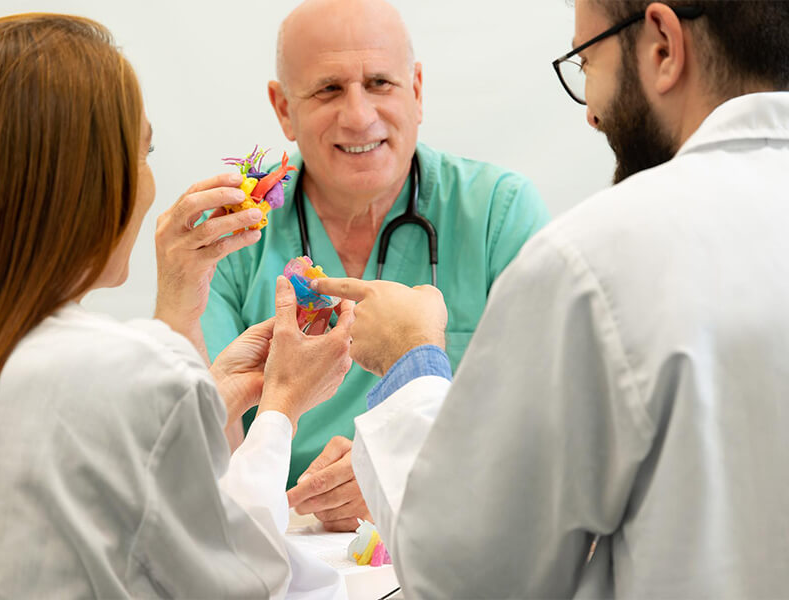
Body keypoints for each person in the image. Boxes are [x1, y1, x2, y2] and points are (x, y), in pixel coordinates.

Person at [315, 0, 789, 596]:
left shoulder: (593, 261)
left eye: (586, 62)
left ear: (663, 47)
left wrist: (410, 363)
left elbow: (470, 578)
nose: (591, 114)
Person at [0, 14, 352, 598]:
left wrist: (210, 386)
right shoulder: (123, 370)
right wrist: (282, 407)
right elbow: (251, 581)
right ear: (92, 179)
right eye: (145, 151)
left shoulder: (40, 358)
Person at [200, 0, 551, 532]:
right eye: (328, 89)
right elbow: (198, 449)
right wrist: (179, 293)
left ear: (417, 90)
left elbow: (548, 425)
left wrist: (400, 469)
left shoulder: (497, 216)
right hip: (281, 540)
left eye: (380, 83)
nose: (359, 116)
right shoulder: (238, 230)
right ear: (283, 108)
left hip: (452, 529)